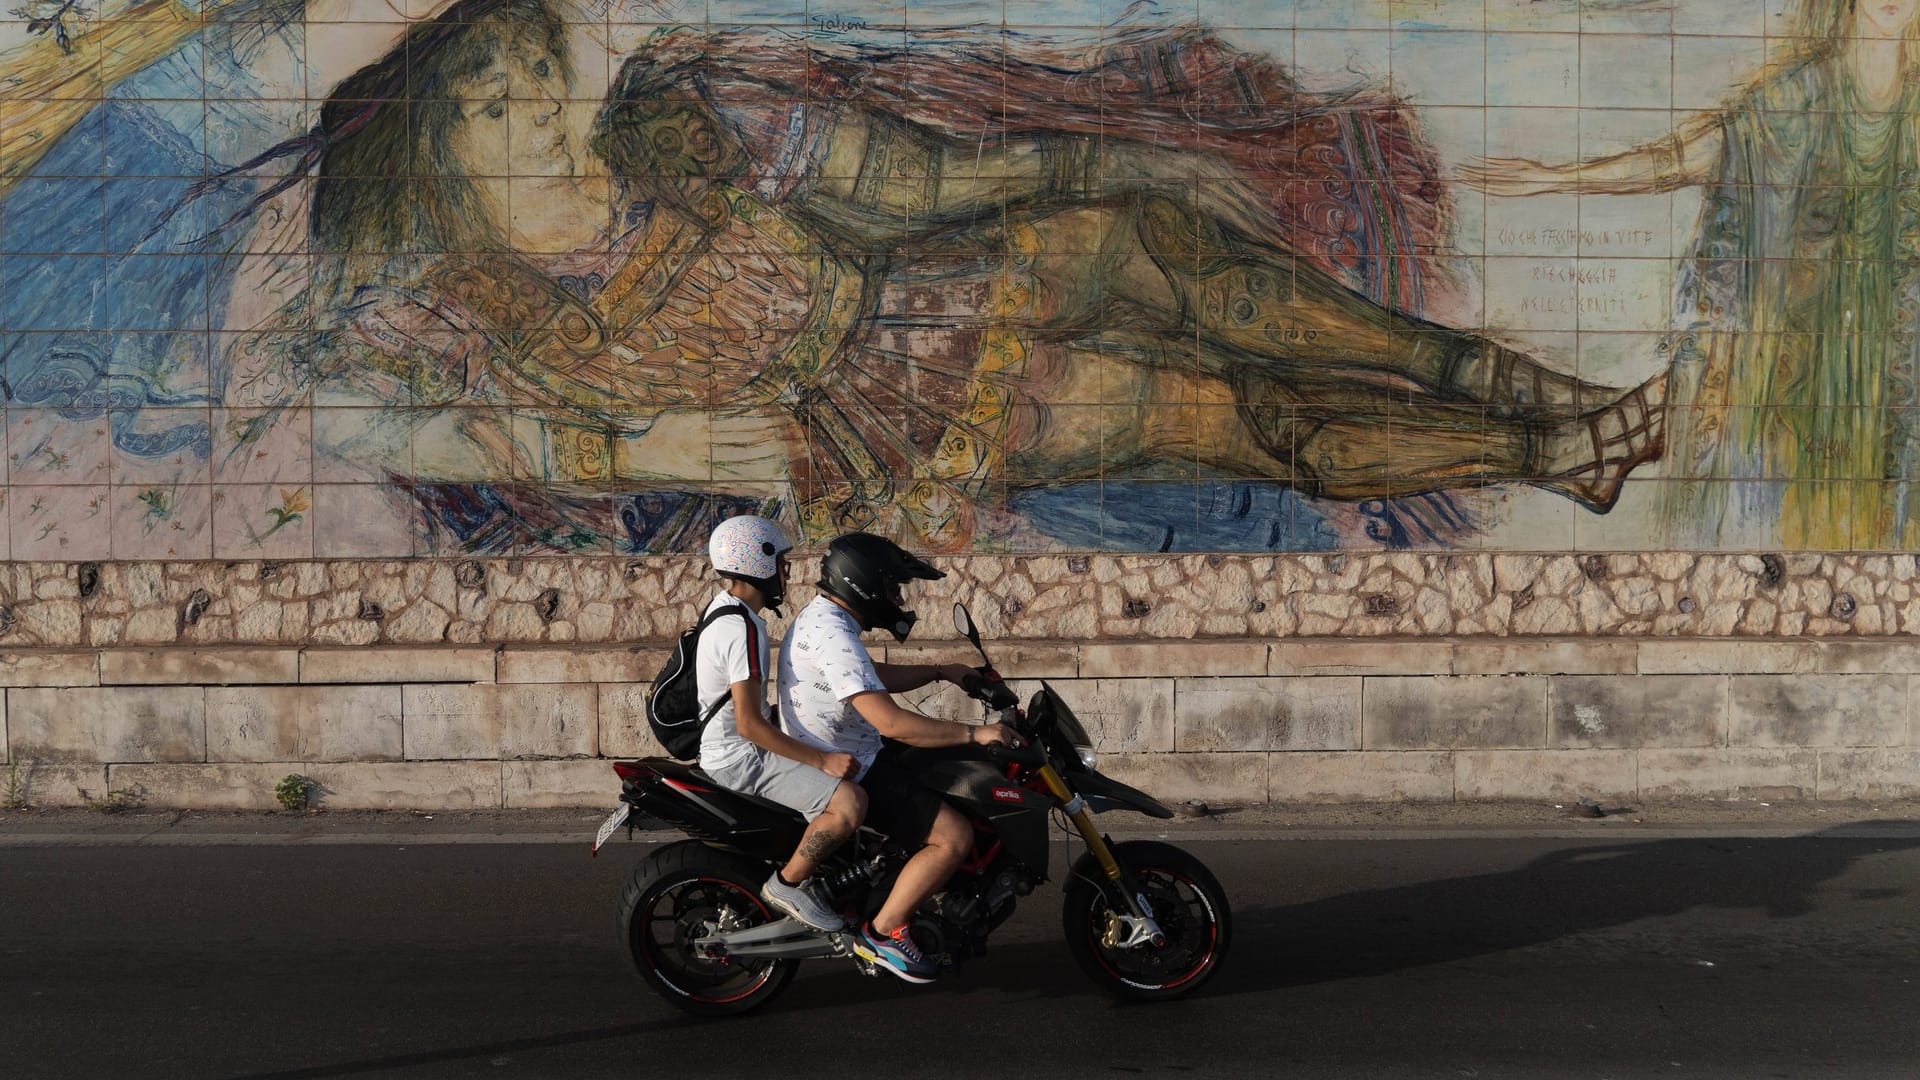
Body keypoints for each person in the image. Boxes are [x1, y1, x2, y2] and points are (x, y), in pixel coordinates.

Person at [190, 2, 1661, 556]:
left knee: (1160, 243)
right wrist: (624, 446)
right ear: (437, 152)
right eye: (492, 100)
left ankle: (1503, 380)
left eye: (531, 76)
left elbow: (925, 186)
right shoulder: (462, 303)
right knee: (1240, 420)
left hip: (927, 287)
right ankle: (1543, 448)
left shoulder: (672, 124)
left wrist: (1105, 164)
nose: (534, 108)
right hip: (882, 413)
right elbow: (372, 419)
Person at [1459, 0, 1920, 549]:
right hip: (1789, 376)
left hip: (1890, 381)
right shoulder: (1791, 101)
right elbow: (1678, 159)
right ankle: (1603, 442)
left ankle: (1606, 442)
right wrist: (1553, 178)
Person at [776, 531, 1023, 982]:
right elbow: (891, 722)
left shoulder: (828, 619)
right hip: (852, 762)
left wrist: (940, 671)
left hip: (854, 748)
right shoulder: (831, 631)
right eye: (892, 588)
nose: (896, 599)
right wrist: (975, 731)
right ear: (865, 584)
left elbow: (866, 676)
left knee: (940, 771)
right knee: (953, 835)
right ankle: (885, 933)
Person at [693, 514, 866, 932]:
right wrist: (822, 762)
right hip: (740, 756)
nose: (786, 571)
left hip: (728, 747)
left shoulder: (723, 610)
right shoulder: (742, 629)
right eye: (781, 561)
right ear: (757, 561)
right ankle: (788, 884)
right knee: (849, 804)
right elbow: (750, 725)